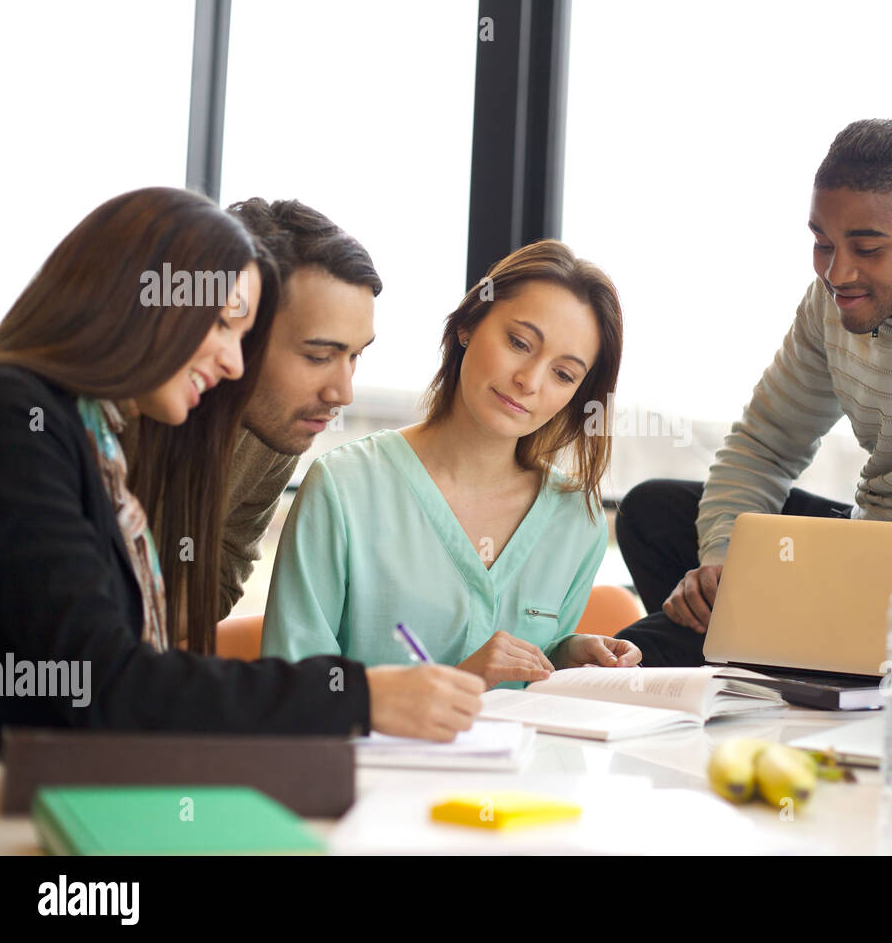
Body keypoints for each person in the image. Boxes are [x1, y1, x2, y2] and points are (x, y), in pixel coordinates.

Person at [0, 187, 483, 758]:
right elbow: (108, 683)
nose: (233, 361)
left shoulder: (91, 434)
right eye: (222, 326)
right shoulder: (20, 421)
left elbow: (121, 668)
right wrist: (356, 695)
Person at [615, 118, 892, 667]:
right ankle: (748, 657)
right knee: (653, 512)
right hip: (867, 553)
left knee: (641, 654)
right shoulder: (831, 302)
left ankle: (759, 659)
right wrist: (722, 562)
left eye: (867, 249)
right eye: (822, 243)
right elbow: (764, 446)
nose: (837, 272)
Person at [261, 239, 640, 686]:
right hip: (369, 758)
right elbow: (290, 695)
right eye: (519, 343)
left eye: (563, 374)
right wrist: (461, 680)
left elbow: (534, 681)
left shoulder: (579, 521)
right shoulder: (345, 487)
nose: (529, 381)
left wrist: (565, 653)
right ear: (468, 326)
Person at [126, 198, 381, 620]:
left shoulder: (277, 430)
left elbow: (221, 573)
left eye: (355, 355)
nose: (342, 392)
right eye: (319, 356)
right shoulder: (98, 419)